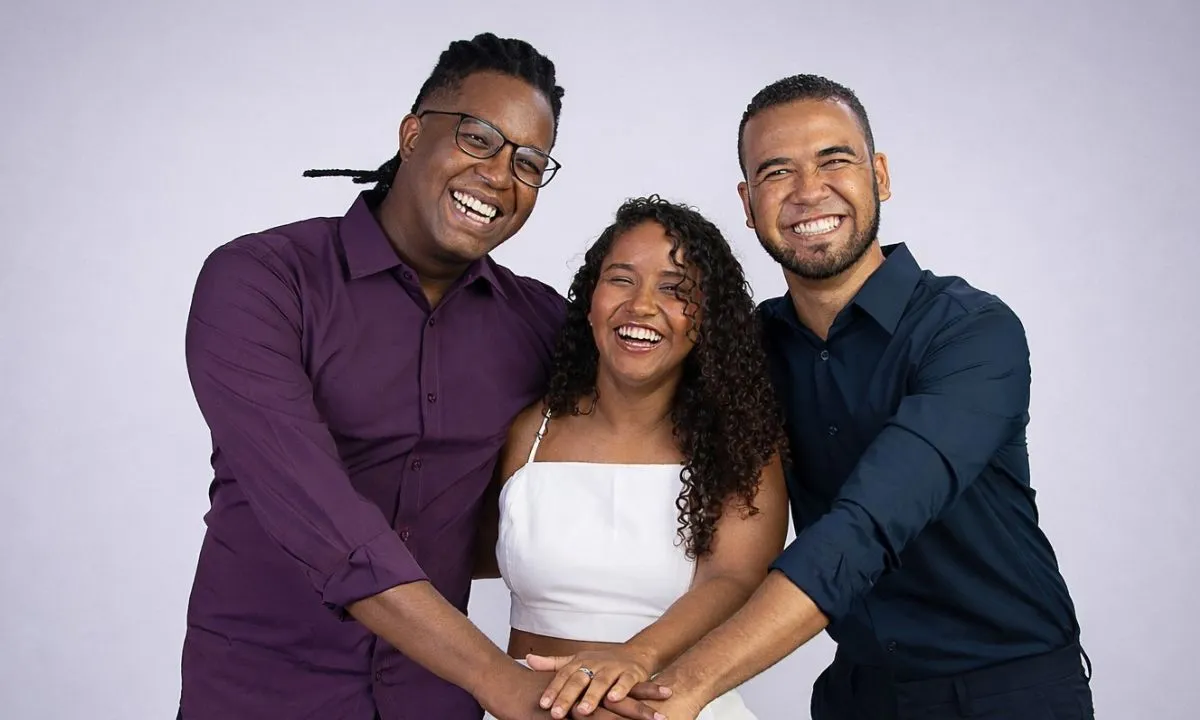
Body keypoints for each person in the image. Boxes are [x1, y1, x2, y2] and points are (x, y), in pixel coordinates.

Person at [178, 32, 663, 720]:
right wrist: (498, 679)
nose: (500, 175)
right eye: (478, 138)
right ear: (412, 135)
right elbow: (320, 515)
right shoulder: (262, 280)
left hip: (433, 701)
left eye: (530, 161)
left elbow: (603, 464)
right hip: (262, 692)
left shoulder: (540, 325)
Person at [635, 75, 1095, 719]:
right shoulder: (750, 349)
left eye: (834, 159)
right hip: (858, 694)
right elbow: (631, 418)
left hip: (1006, 691)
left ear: (879, 174)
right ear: (747, 202)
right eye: (776, 172)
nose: (807, 191)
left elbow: (867, 527)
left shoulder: (972, 333)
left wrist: (687, 684)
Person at [473, 195, 790, 720]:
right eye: (621, 279)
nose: (641, 306)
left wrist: (631, 659)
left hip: (668, 711)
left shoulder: (739, 442)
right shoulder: (529, 429)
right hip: (530, 709)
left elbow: (732, 580)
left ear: (707, 318)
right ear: (591, 298)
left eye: (674, 289)